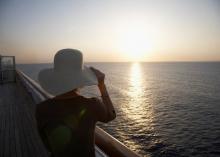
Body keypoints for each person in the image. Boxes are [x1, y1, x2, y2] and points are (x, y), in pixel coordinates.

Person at [36, 49, 116, 157]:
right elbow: (111, 115)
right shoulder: (92, 105)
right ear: (80, 78)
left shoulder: (41, 108)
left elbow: (47, 145)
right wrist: (101, 85)